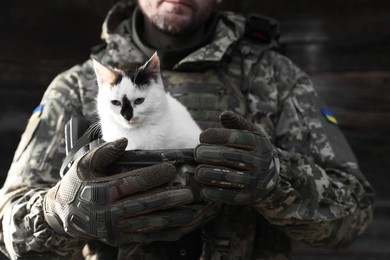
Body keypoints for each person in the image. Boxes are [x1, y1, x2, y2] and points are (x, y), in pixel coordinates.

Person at [0, 0, 375, 259]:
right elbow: (7, 229)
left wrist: (278, 179)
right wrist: (57, 210)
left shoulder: (274, 77)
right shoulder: (82, 84)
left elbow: (353, 213)